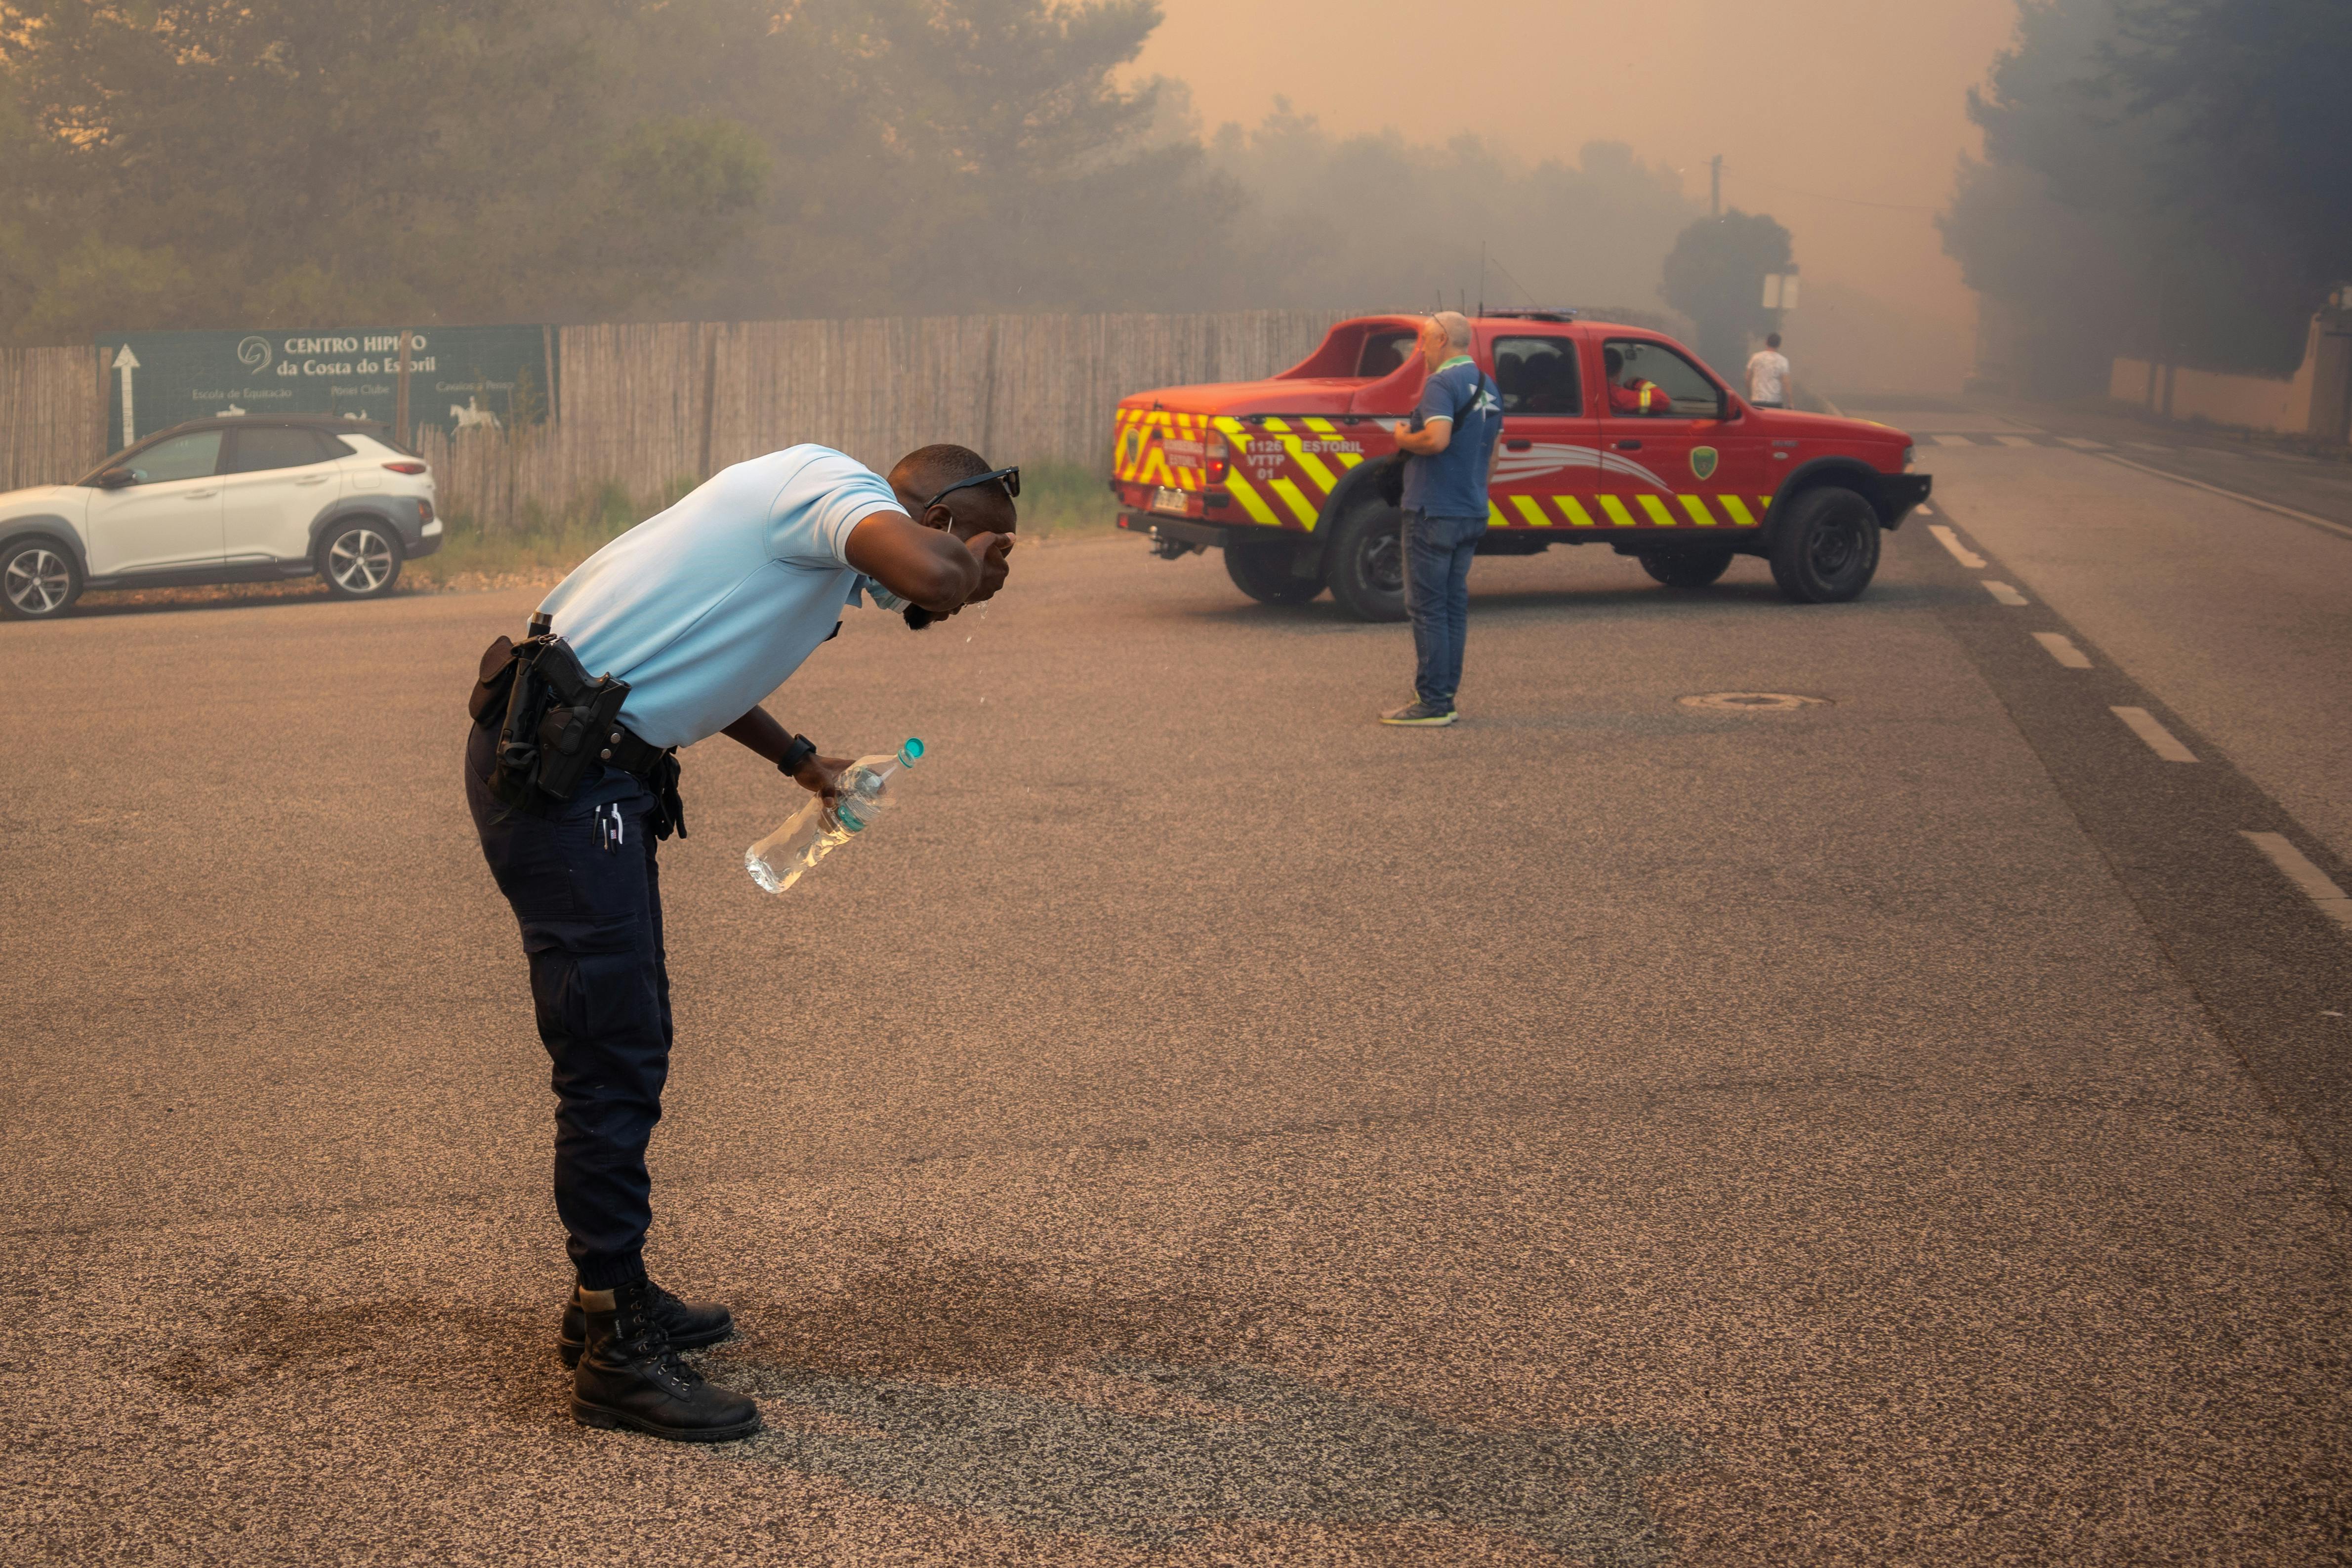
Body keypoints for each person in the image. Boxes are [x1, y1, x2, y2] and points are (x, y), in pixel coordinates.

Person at [464, 443, 1015, 1443]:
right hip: (562, 779)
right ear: (929, 512)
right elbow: (932, 574)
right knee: (611, 1054)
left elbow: (702, 660)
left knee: (632, 1033)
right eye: (971, 531)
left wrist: (805, 764)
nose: (969, 557)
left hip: (583, 760)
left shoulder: (816, 540)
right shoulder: (825, 485)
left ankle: (607, 1292)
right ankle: (617, 1354)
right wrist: (963, 570)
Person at [1381, 311, 1502, 727]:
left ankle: (1432, 703)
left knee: (1427, 609)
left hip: (1433, 511)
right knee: (1452, 608)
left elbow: (1436, 439)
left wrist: (1401, 439)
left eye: (1424, 342)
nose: (1420, 352)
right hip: (1470, 509)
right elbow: (1493, 458)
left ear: (1441, 341)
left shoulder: (1441, 384)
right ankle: (1444, 696)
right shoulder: (1489, 387)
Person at [1604, 346, 1673, 416]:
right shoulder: (1617, 396)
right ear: (1620, 372)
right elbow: (1662, 400)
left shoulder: (1599, 392)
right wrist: (1637, 382)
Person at [1747, 332, 1791, 408]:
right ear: (1779, 345)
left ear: (1766, 342)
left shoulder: (1756, 357)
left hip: (1757, 400)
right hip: (1775, 402)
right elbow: (1786, 382)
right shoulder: (1783, 361)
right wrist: (1790, 402)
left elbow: (1748, 378)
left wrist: (1750, 396)